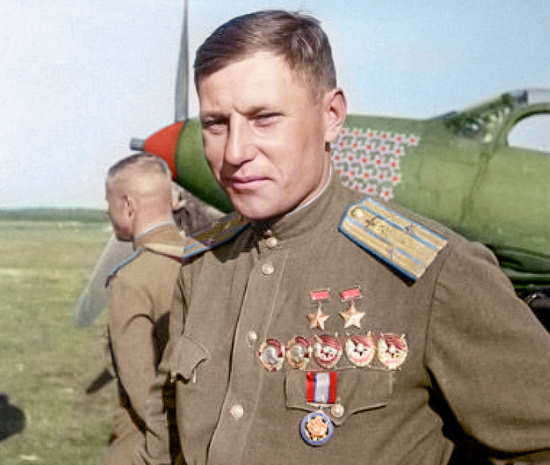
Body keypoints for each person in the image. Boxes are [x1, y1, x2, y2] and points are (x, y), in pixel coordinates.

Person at [135, 10, 550, 465]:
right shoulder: (202, 266)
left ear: (331, 116)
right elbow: (165, 442)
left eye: (264, 118)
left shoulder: (433, 272)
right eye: (216, 124)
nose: (234, 152)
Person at [103, 153, 183, 465]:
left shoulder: (131, 279)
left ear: (128, 205)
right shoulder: (205, 259)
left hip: (148, 448)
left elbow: (143, 393)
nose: (106, 211)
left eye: (108, 202)